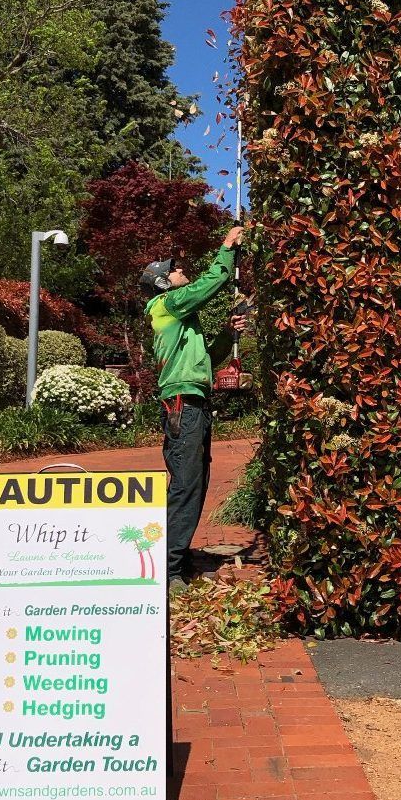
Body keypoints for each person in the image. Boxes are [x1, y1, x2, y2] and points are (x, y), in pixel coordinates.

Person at [140, 226, 246, 591]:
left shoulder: (183, 319)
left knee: (195, 481)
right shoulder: (165, 306)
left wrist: (227, 334)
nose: (182, 270)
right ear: (162, 283)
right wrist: (227, 249)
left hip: (194, 403)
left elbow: (207, 360)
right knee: (185, 484)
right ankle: (167, 570)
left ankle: (176, 558)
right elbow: (208, 285)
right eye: (175, 269)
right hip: (181, 406)